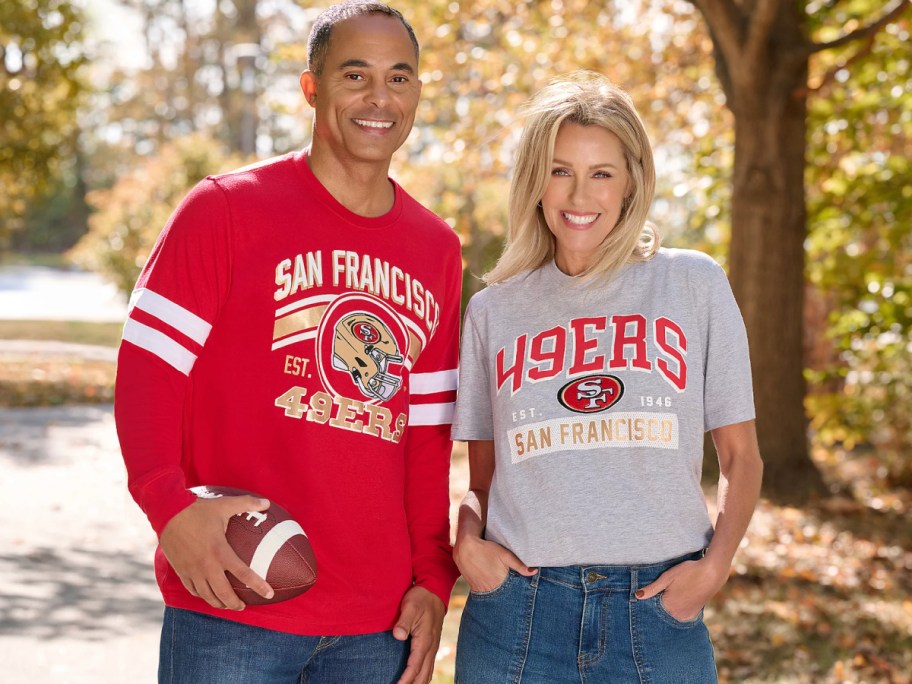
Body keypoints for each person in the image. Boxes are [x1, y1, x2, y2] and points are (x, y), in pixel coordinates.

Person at [114, 2, 462, 682]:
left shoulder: (437, 249)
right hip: (234, 598)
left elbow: (425, 435)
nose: (379, 98)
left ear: (418, 91)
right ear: (312, 88)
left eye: (400, 77)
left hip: (376, 622)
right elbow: (147, 372)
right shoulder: (224, 209)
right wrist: (170, 510)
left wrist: (433, 578)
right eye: (354, 75)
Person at [450, 72, 763, 683]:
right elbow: (480, 479)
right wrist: (467, 546)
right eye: (560, 169)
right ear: (535, 180)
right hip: (519, 613)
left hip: (657, 612)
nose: (579, 194)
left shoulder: (692, 285)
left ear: (631, 182)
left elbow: (742, 457)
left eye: (601, 173)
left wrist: (713, 569)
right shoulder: (494, 309)